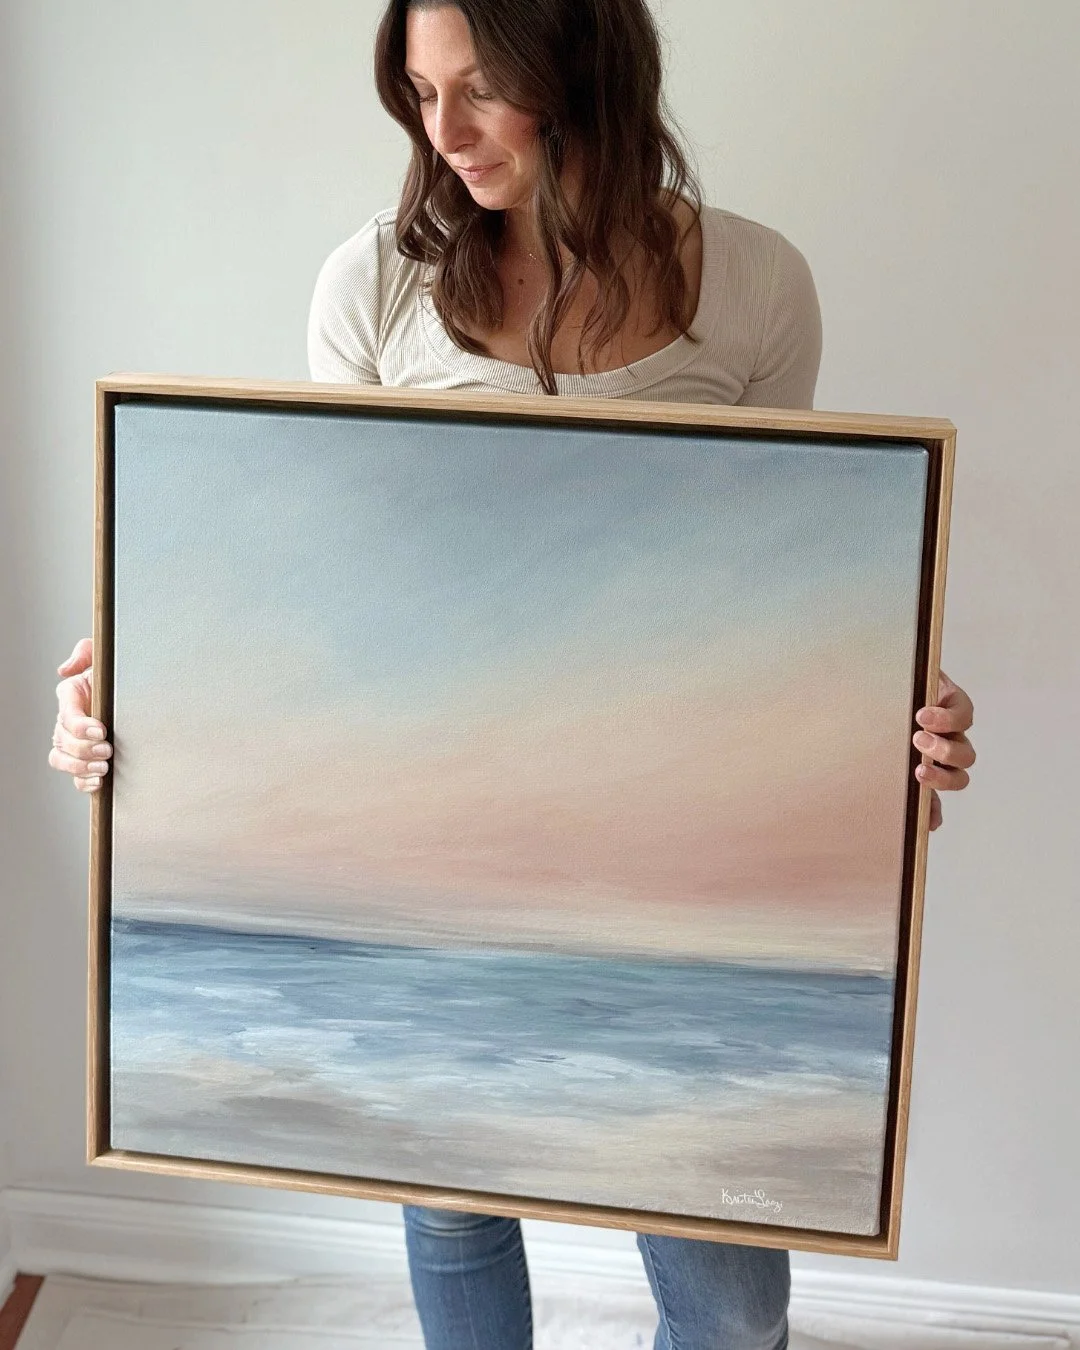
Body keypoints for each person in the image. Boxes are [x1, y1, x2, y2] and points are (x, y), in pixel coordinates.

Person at [49, 0, 977, 1345]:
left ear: (583, 66)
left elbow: (802, 558)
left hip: (677, 861)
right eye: (421, 93)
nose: (446, 132)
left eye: (481, 86)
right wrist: (131, 704)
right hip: (429, 846)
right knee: (453, 1223)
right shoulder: (371, 287)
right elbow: (335, 575)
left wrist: (890, 723)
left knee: (733, 1309)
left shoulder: (759, 285)